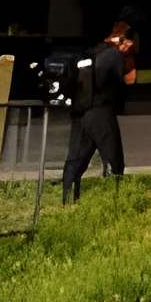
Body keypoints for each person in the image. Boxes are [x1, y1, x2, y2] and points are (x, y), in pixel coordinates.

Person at [59, 17, 135, 201]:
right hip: (101, 112)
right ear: (123, 39)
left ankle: (67, 201)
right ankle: (113, 202)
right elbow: (128, 81)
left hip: (80, 111)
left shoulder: (89, 54)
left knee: (76, 159)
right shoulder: (114, 56)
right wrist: (128, 58)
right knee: (113, 159)